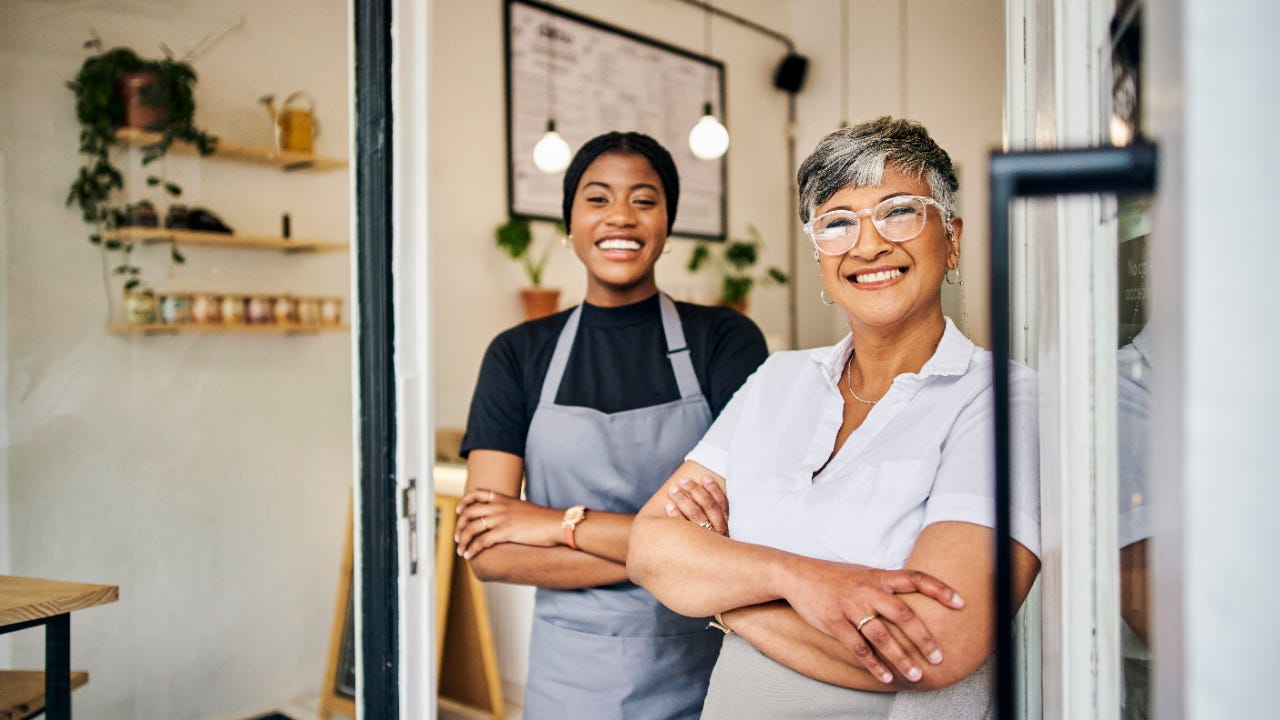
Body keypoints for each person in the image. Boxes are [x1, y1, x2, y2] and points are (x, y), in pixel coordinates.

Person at [629, 117, 1041, 718]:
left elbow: (935, 645)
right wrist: (803, 580)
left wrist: (724, 598)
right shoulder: (779, 379)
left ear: (951, 238)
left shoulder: (1003, 398)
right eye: (838, 223)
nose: (868, 245)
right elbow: (650, 547)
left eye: (899, 211)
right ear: (820, 255)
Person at [455, 131, 768, 719]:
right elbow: (488, 551)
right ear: (570, 223)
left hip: (703, 675)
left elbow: (740, 534)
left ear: (668, 224)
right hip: (566, 687)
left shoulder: (723, 340)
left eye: (644, 200)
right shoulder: (518, 354)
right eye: (597, 199)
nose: (621, 216)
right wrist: (675, 552)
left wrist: (553, 524)